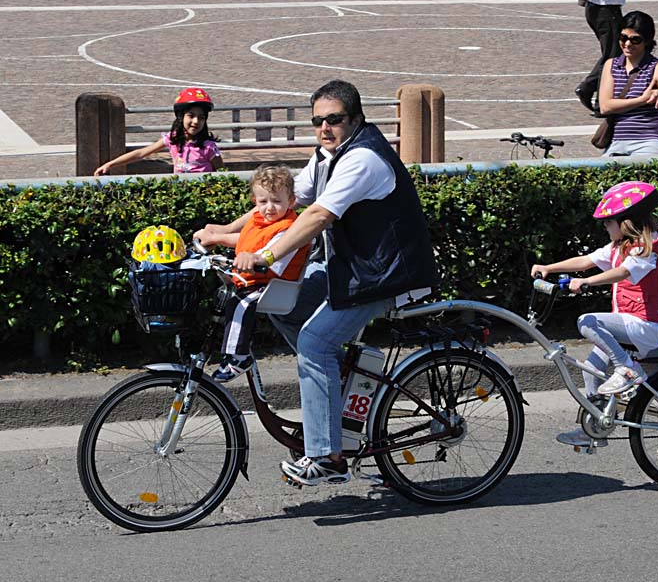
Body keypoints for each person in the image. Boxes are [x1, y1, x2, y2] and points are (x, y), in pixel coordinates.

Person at [195, 80, 439, 486]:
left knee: (315, 342)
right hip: (351, 266)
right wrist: (224, 230)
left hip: (384, 274)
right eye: (318, 121)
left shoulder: (363, 159)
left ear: (356, 119)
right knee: (280, 302)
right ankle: (340, 385)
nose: (325, 128)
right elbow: (279, 203)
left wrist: (267, 256)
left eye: (335, 120)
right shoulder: (327, 155)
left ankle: (329, 458)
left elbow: (316, 217)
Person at [530, 181, 658, 446]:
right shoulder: (618, 247)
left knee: (587, 321)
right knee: (591, 368)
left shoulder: (646, 248)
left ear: (625, 222)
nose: (605, 227)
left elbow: (624, 272)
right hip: (628, 323)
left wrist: (588, 282)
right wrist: (549, 267)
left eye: (608, 222)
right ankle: (594, 429)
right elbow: (586, 260)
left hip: (644, 325)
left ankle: (627, 371)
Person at [196, 165, 310, 382]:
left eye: (277, 201)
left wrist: (251, 258)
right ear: (254, 201)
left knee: (243, 302)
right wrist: (214, 237)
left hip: (275, 285)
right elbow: (245, 240)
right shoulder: (260, 221)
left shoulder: (288, 228)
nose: (269, 208)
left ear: (291, 201)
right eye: (263, 201)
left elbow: (266, 254)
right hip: (255, 280)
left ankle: (238, 357)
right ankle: (230, 345)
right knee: (224, 296)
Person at [597, 11, 658, 156]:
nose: (627, 44)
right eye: (623, 38)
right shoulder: (611, 65)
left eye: (635, 40)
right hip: (617, 141)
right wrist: (642, 100)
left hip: (651, 140)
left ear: (647, 41)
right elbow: (605, 107)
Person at [94, 87, 223, 175]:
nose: (196, 121)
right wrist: (111, 164)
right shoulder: (173, 139)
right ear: (181, 116)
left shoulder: (209, 147)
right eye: (191, 116)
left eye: (201, 118)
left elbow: (222, 173)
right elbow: (141, 153)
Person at [575, 0, 626, 117]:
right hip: (606, 9)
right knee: (612, 57)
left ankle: (600, 102)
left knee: (612, 55)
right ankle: (590, 91)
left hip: (598, 8)